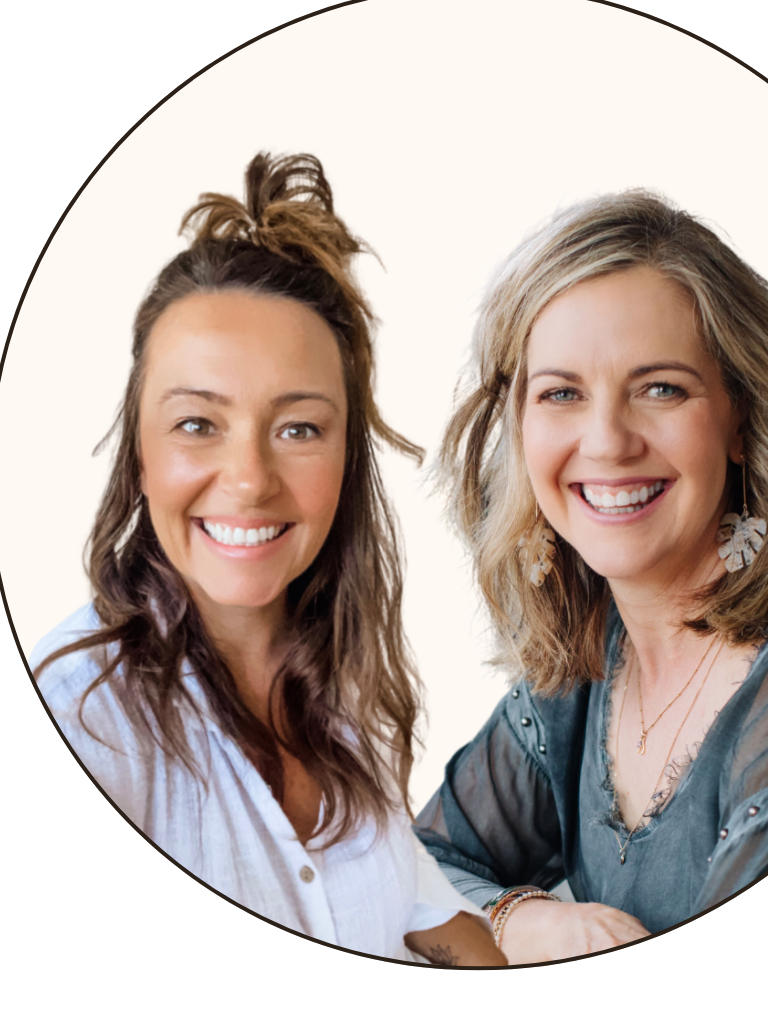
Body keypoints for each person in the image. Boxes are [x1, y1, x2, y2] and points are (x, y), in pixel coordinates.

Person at [415, 189, 768, 963]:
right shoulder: (589, 655)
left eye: (660, 388)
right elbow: (410, 876)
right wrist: (528, 921)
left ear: (742, 417)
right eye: (561, 393)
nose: (606, 441)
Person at [32, 152, 504, 965]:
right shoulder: (86, 720)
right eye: (197, 424)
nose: (250, 479)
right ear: (140, 454)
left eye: (298, 429)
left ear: (347, 460)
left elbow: (423, 907)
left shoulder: (338, 691)